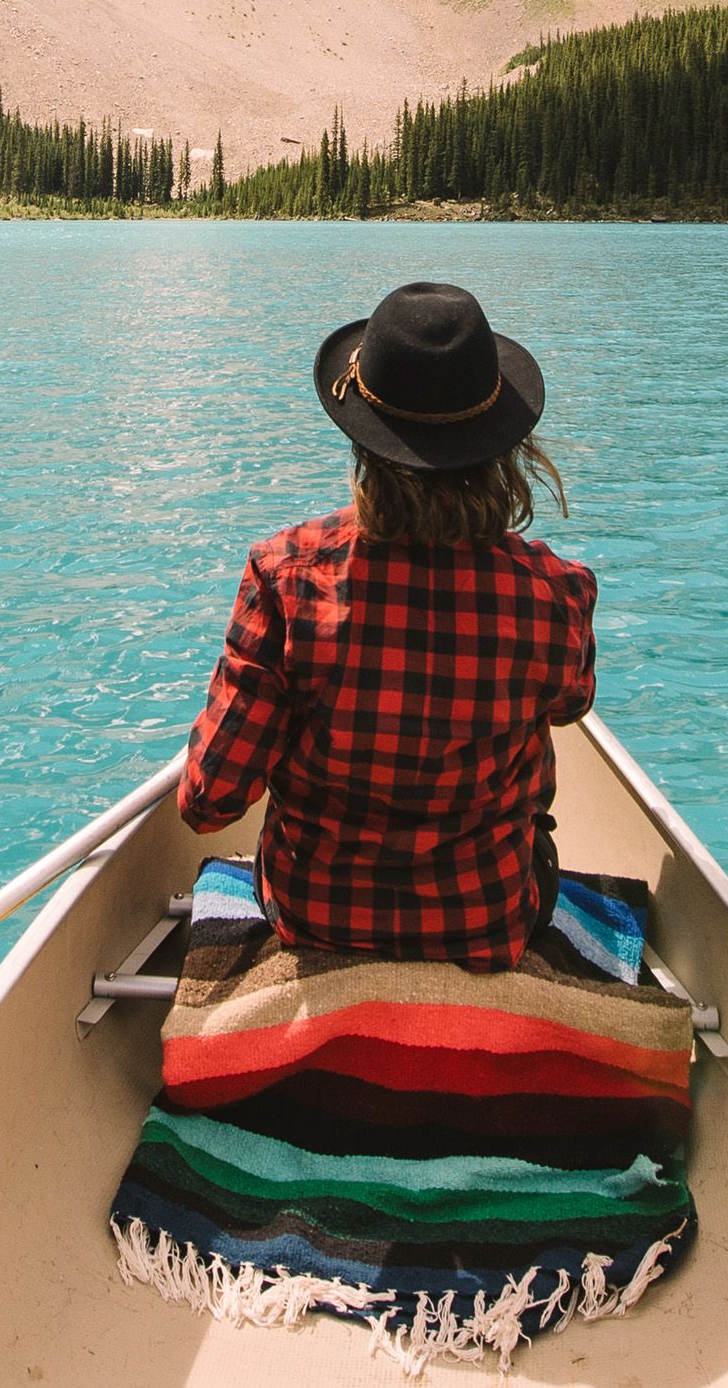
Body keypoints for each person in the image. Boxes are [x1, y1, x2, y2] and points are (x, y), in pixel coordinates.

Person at [175, 281, 597, 969]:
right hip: (490, 921)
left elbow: (208, 800)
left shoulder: (284, 577)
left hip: (311, 916)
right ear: (498, 448)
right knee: (536, 795)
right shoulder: (556, 591)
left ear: (365, 443)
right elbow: (573, 701)